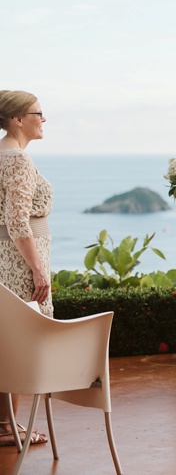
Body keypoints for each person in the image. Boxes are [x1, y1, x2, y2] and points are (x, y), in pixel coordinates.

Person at [0, 90, 51, 447]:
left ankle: (5, 423)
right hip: (18, 264)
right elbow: (18, 222)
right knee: (17, 342)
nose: (43, 119)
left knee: (5, 340)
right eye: (39, 113)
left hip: (3, 258)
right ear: (18, 119)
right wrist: (38, 270)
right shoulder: (16, 160)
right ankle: (8, 426)